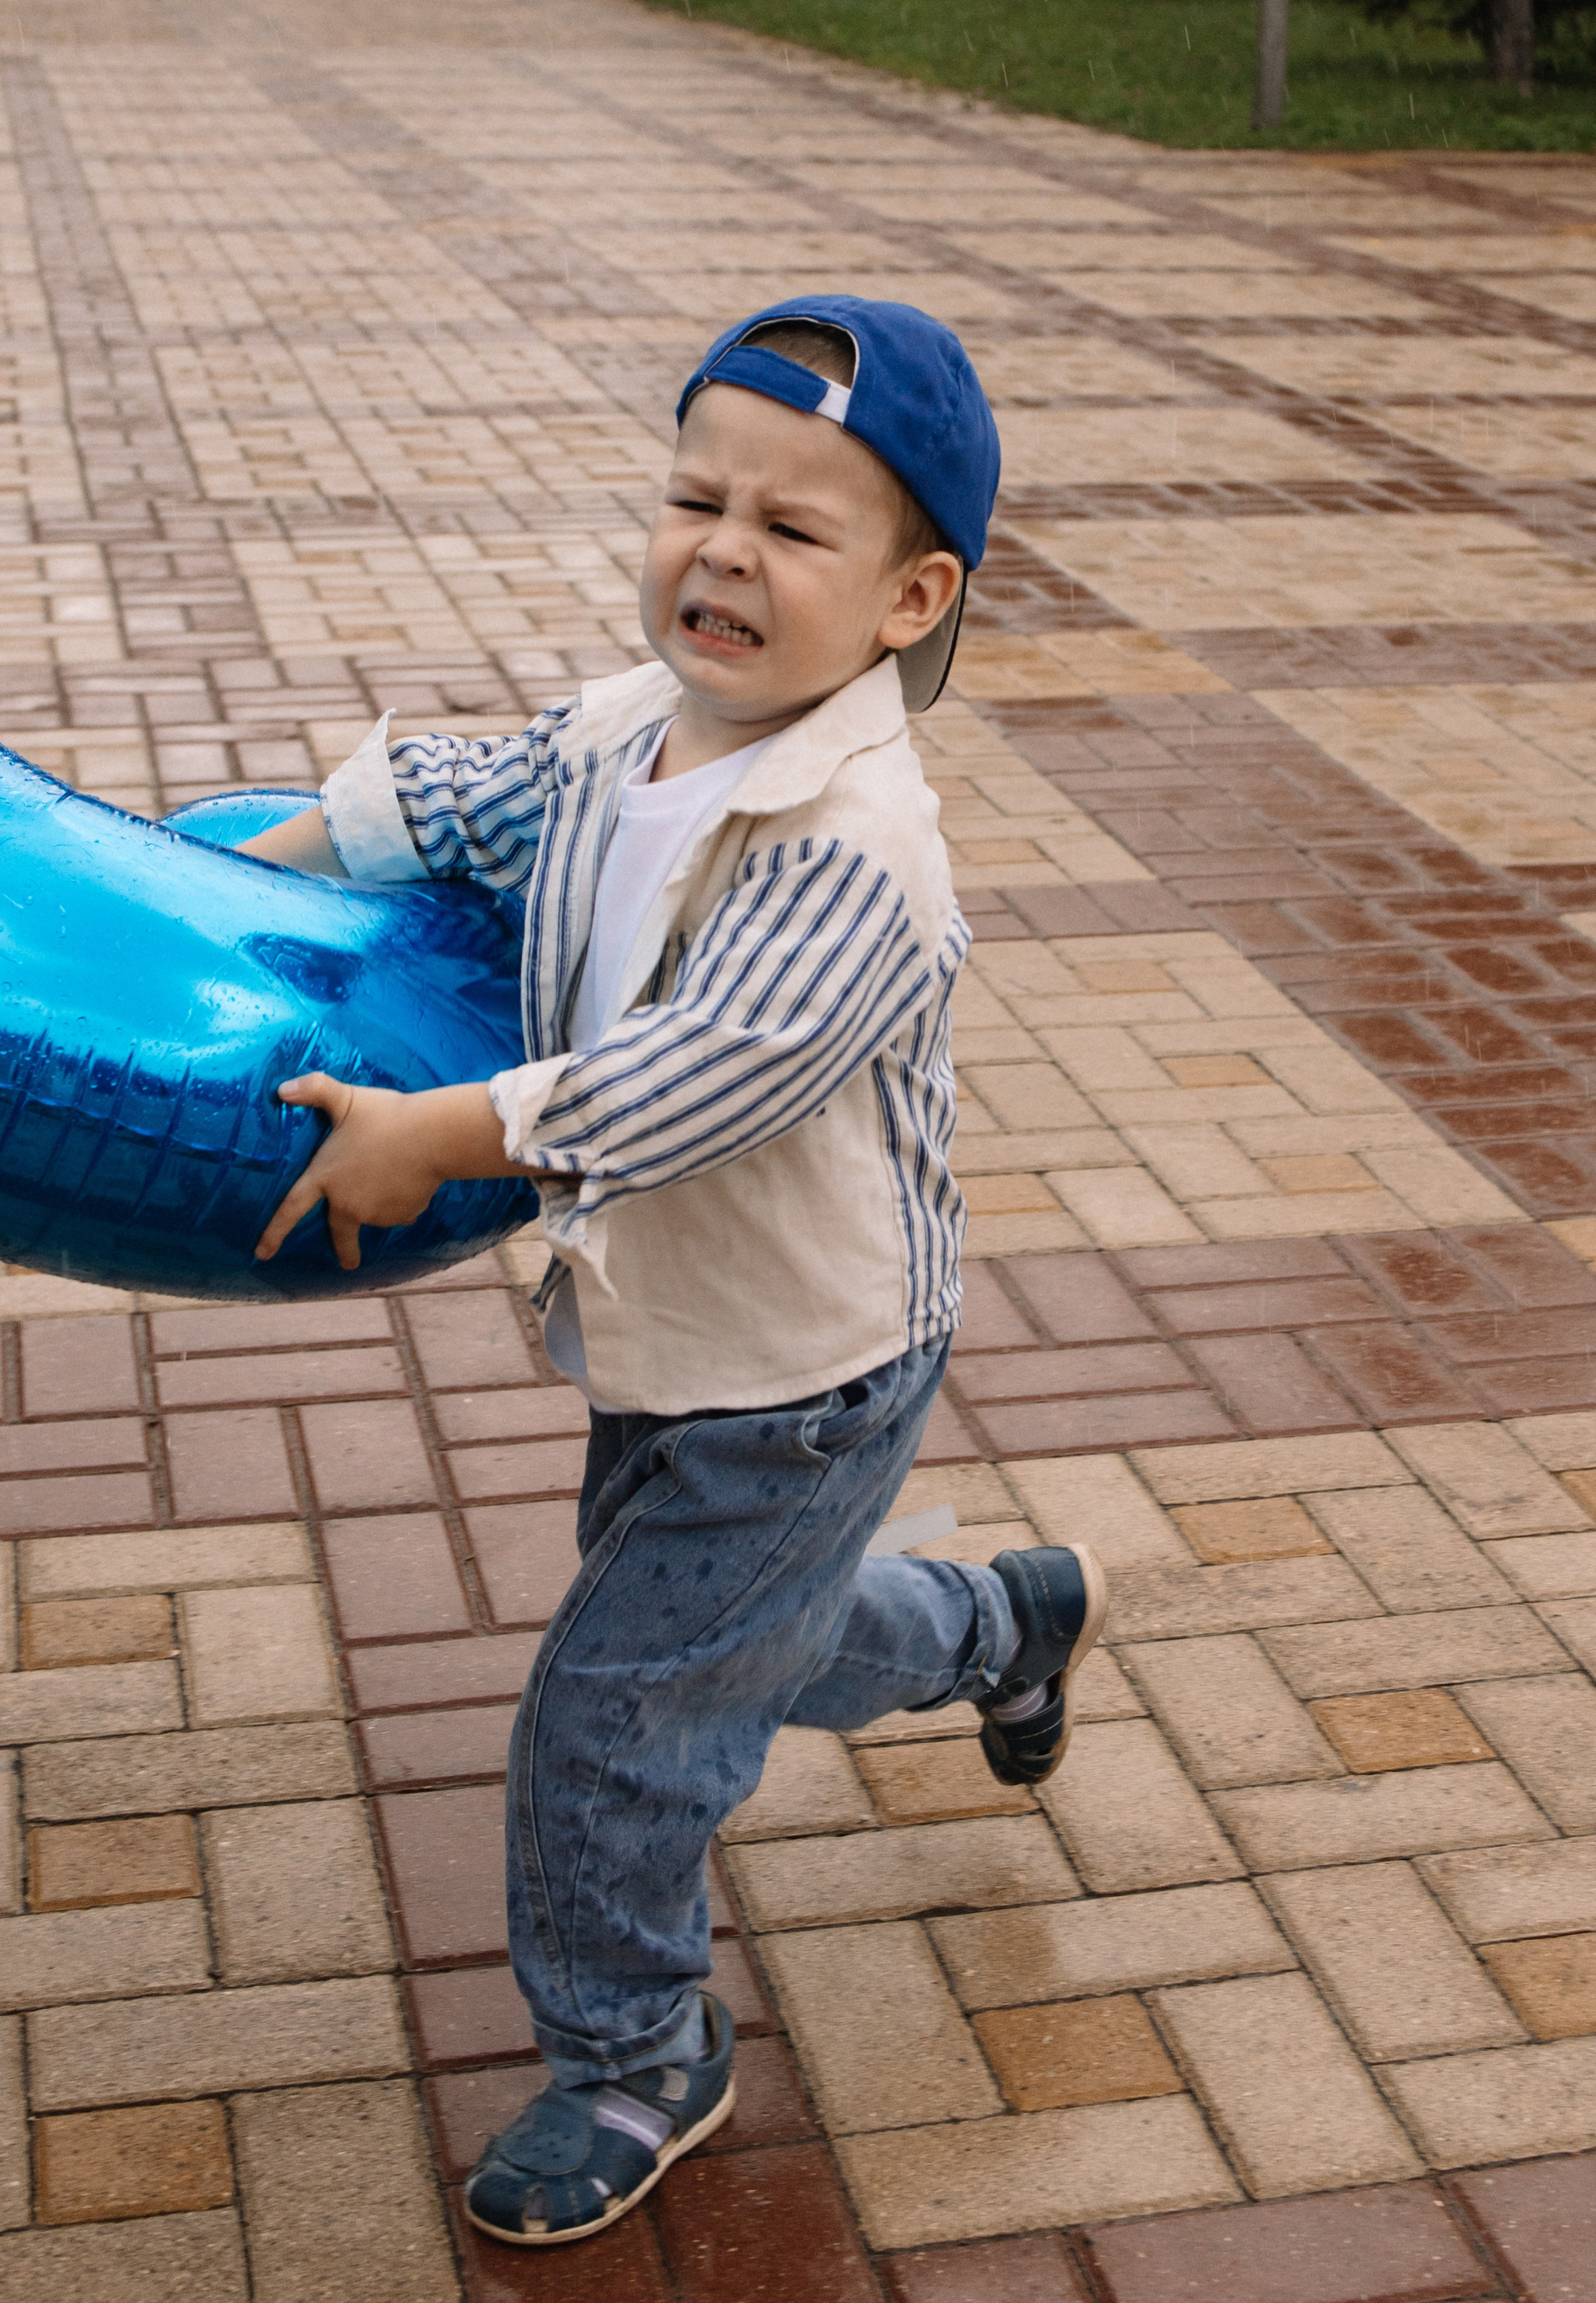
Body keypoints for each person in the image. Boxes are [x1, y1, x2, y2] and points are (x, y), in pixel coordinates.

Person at [243, 295, 1107, 2248]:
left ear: (910, 599)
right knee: (749, 1648)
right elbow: (485, 796)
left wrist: (441, 1130)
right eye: (694, 495)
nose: (721, 547)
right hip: (681, 1332)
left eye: (795, 529)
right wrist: (274, 865)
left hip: (805, 1375)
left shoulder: (862, 848)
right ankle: (1000, 1622)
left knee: (619, 1716)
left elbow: (694, 1077)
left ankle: (640, 2046)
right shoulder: (641, 726)